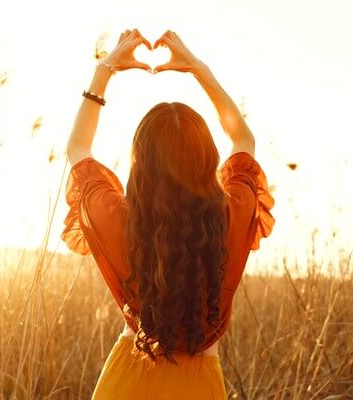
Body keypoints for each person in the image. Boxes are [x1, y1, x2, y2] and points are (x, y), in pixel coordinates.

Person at [62, 29, 275, 399]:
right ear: (207, 159)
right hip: (201, 387)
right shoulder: (231, 215)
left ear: (140, 165)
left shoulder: (121, 221)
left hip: (126, 381)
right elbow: (244, 140)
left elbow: (78, 147)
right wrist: (197, 68)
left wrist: (106, 69)